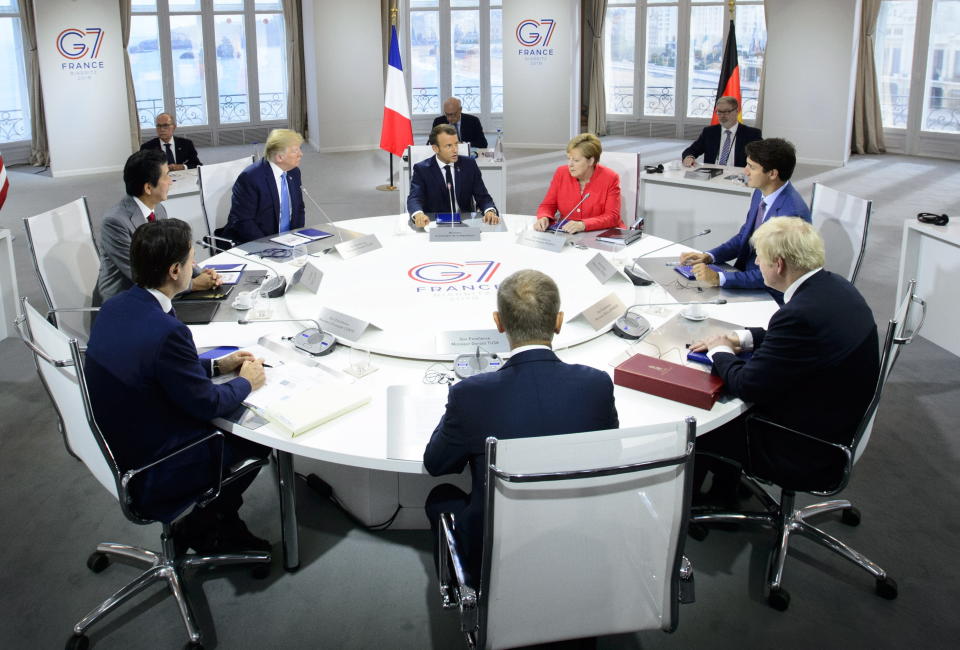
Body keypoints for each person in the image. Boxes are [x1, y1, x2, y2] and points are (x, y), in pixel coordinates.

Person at [85, 219, 272, 553]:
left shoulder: (115, 306)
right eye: (190, 258)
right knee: (258, 438)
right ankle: (210, 525)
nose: (195, 263)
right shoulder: (168, 331)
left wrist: (216, 364)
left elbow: (156, 367)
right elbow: (208, 405)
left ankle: (208, 523)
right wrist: (246, 381)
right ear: (174, 270)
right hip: (156, 463)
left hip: (120, 443)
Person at [423, 269, 619, 581]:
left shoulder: (470, 394)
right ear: (558, 321)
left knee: (440, 496)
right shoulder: (596, 385)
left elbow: (436, 464)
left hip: (497, 553)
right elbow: (610, 457)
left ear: (498, 323)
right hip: (581, 538)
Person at [689, 218, 879, 504]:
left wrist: (720, 350)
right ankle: (722, 491)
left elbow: (748, 385)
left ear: (778, 264)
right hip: (838, 417)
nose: (757, 265)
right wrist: (741, 338)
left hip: (804, 444)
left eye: (760, 259)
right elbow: (796, 339)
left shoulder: (798, 315)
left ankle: (699, 508)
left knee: (705, 425)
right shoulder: (833, 286)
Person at [679, 138, 811, 290]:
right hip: (745, 273)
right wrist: (710, 256)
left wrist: (719, 278)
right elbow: (744, 237)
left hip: (770, 291)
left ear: (773, 174)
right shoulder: (760, 192)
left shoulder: (792, 215)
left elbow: (776, 275)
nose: (745, 171)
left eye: (751, 167)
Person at [94, 150, 219, 306]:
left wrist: (202, 274)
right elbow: (140, 276)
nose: (171, 181)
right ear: (148, 188)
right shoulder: (115, 222)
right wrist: (194, 284)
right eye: (166, 176)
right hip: (126, 303)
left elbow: (173, 253)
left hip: (159, 294)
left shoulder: (158, 209)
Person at [216, 128, 306, 245]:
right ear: (279, 157)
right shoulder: (250, 178)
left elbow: (298, 208)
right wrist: (269, 246)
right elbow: (243, 221)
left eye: (300, 149)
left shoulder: (294, 172)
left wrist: (295, 236)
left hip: (286, 242)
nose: (301, 154)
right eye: (295, 151)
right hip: (255, 242)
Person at [407, 124, 499, 227]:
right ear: (435, 148)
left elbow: (483, 197)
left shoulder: (469, 165)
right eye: (449, 146)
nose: (455, 150)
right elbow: (414, 198)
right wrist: (418, 214)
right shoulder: (422, 169)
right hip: (434, 223)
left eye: (456, 144)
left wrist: (489, 210)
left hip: (464, 222)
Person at [534, 133, 623, 234]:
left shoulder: (610, 178)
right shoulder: (561, 173)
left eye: (576, 160)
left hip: (600, 234)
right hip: (567, 234)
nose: (570, 164)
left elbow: (612, 217)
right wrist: (544, 217)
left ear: (591, 161)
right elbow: (548, 205)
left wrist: (583, 224)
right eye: (569, 159)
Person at [681, 96, 762, 168]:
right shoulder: (709, 132)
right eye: (719, 112)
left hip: (738, 177)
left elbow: (761, 158)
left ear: (737, 111)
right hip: (712, 176)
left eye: (727, 111)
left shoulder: (752, 134)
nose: (722, 116)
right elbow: (691, 150)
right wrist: (689, 157)